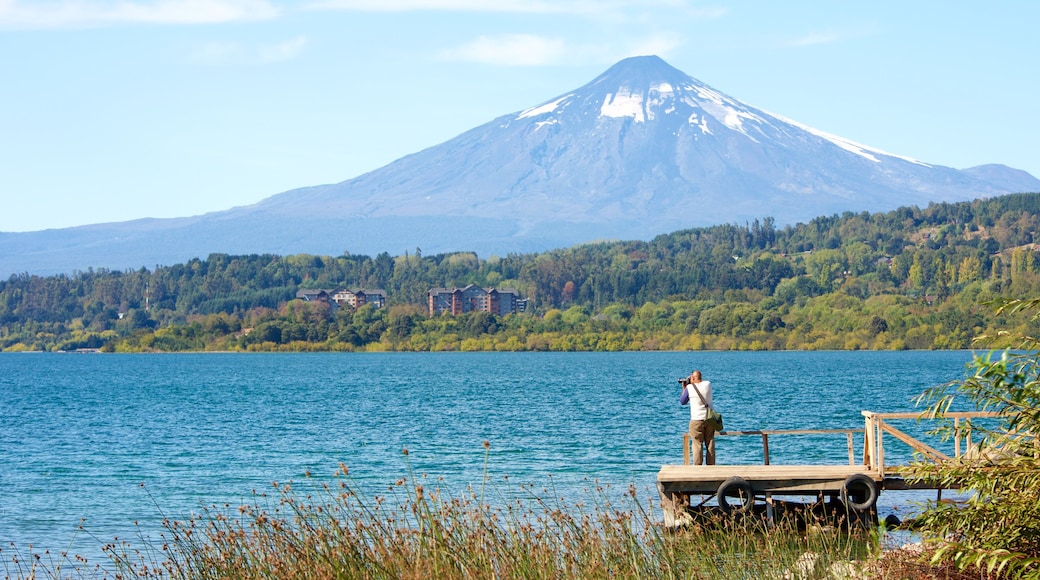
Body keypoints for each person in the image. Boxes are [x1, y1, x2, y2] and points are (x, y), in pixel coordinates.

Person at [680, 370, 716, 465]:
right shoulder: (708, 384)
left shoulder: (689, 388)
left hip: (696, 419)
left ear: (693, 378)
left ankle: (698, 467)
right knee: (710, 443)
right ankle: (711, 466)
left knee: (697, 445)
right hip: (710, 419)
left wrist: (684, 388)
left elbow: (683, 401)